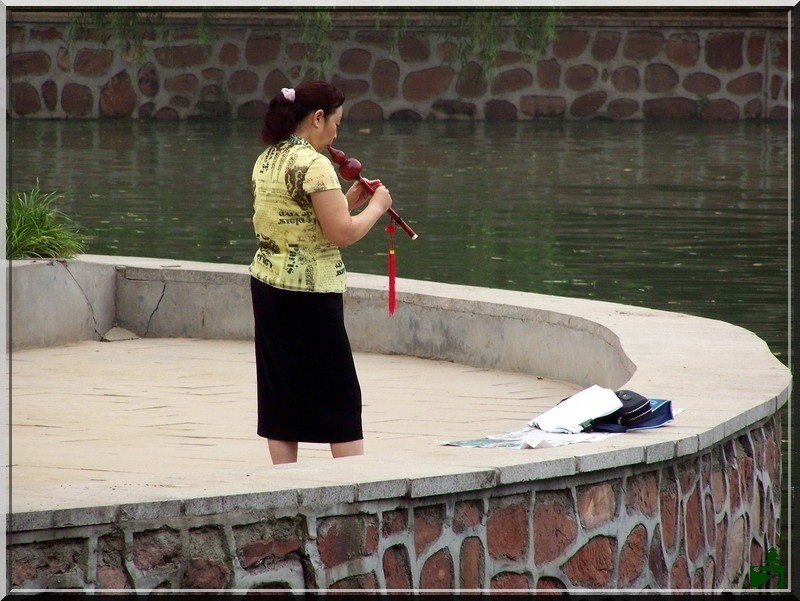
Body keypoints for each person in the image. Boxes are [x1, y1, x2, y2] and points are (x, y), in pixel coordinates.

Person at [249, 80, 392, 464]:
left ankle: (284, 484)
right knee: (340, 395)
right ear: (317, 118)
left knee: (280, 392)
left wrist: (346, 201)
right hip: (309, 294)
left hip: (268, 287)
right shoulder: (315, 164)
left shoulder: (269, 157)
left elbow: (299, 221)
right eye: (336, 122)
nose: (336, 132)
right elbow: (340, 233)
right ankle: (351, 487)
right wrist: (376, 207)